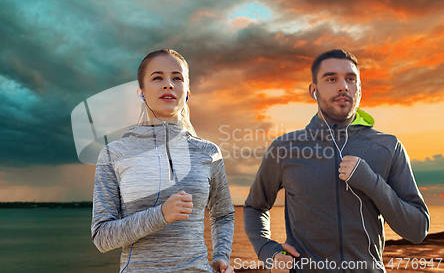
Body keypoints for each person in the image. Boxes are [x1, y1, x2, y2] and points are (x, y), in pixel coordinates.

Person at [244, 49, 429, 272]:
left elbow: (418, 230)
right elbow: (255, 207)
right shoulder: (285, 148)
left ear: (359, 89)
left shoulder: (388, 147)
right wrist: (267, 250)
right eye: (331, 79)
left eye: (351, 79)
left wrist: (372, 183)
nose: (343, 86)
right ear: (314, 90)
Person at [91, 49, 235, 273]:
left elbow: (223, 214)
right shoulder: (114, 153)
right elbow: (102, 237)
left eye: (177, 78)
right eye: (157, 78)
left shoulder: (209, 152)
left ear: (187, 92)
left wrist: (221, 256)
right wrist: (160, 215)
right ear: (141, 93)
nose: (168, 84)